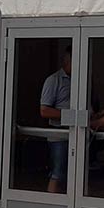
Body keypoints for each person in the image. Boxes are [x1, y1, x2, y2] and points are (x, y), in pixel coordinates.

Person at [39, 47, 73, 188]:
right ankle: (51, 200)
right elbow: (44, 111)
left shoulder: (83, 79)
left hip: (79, 133)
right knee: (57, 173)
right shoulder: (53, 80)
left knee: (78, 174)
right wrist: (71, 116)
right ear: (67, 61)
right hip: (59, 134)